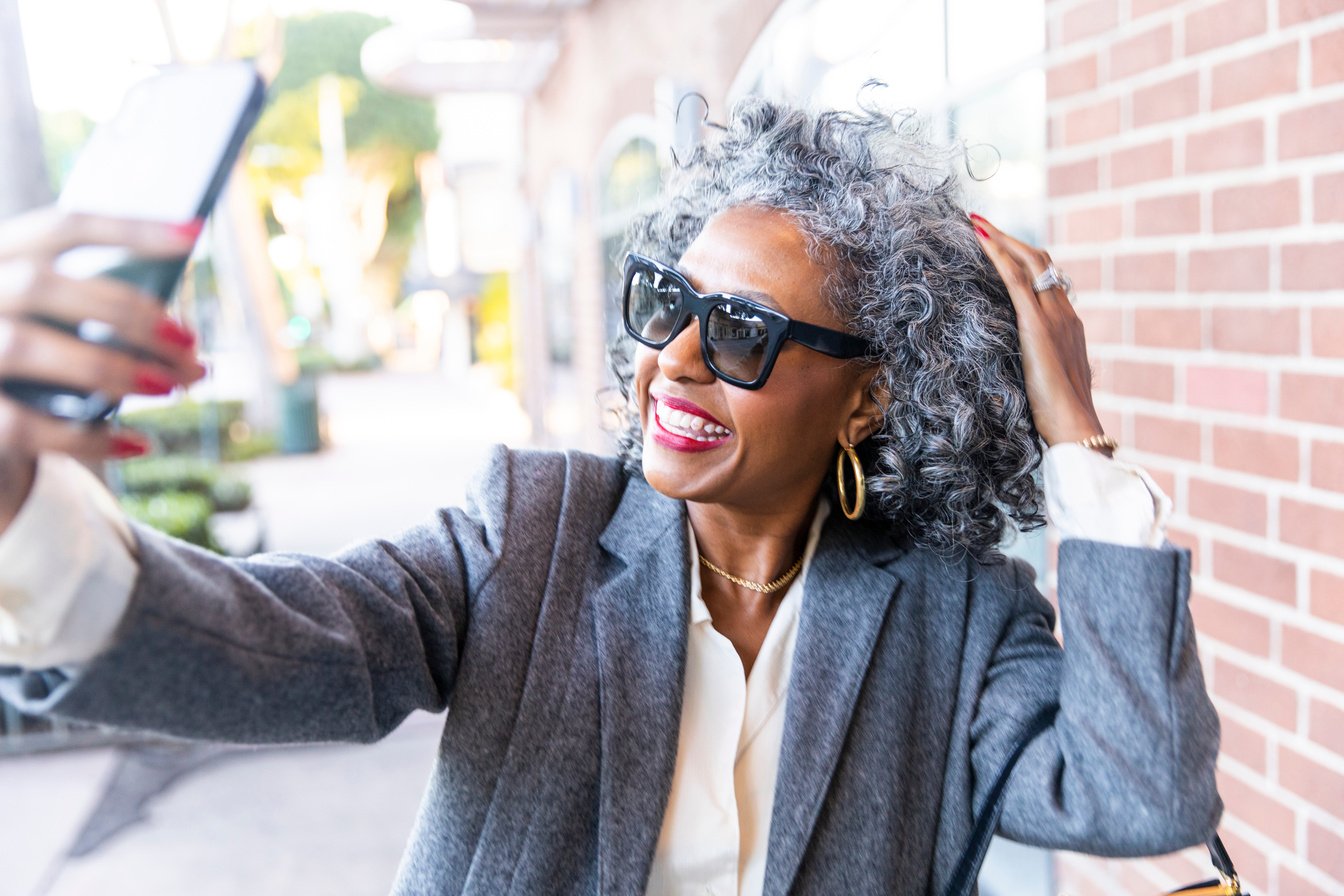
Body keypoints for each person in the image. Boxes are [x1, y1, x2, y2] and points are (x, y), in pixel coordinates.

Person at [0, 98, 1220, 895]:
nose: (676, 359)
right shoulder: (532, 534)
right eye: (666, 303)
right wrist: (21, 508)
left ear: (868, 398)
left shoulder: (957, 621)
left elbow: (1139, 789)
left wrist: (1084, 450)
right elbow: (266, 642)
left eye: (742, 331)